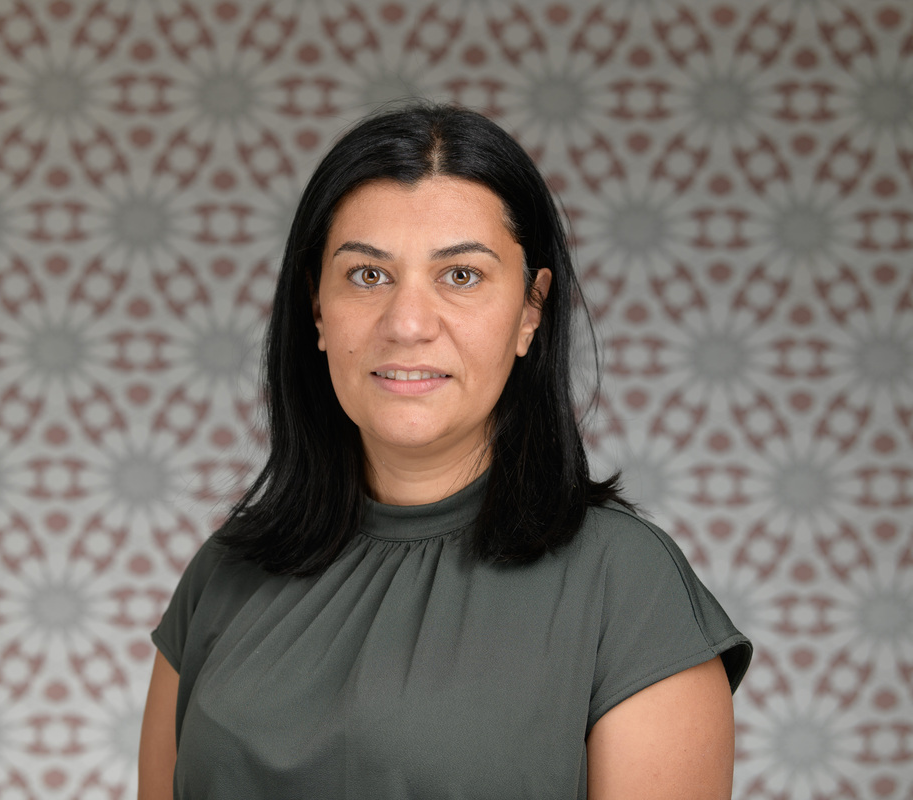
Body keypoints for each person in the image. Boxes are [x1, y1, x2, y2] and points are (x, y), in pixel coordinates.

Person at [138, 103, 751, 799]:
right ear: (316, 307)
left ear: (530, 311)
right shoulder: (223, 577)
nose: (406, 324)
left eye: (461, 275)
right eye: (368, 275)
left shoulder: (629, 590)